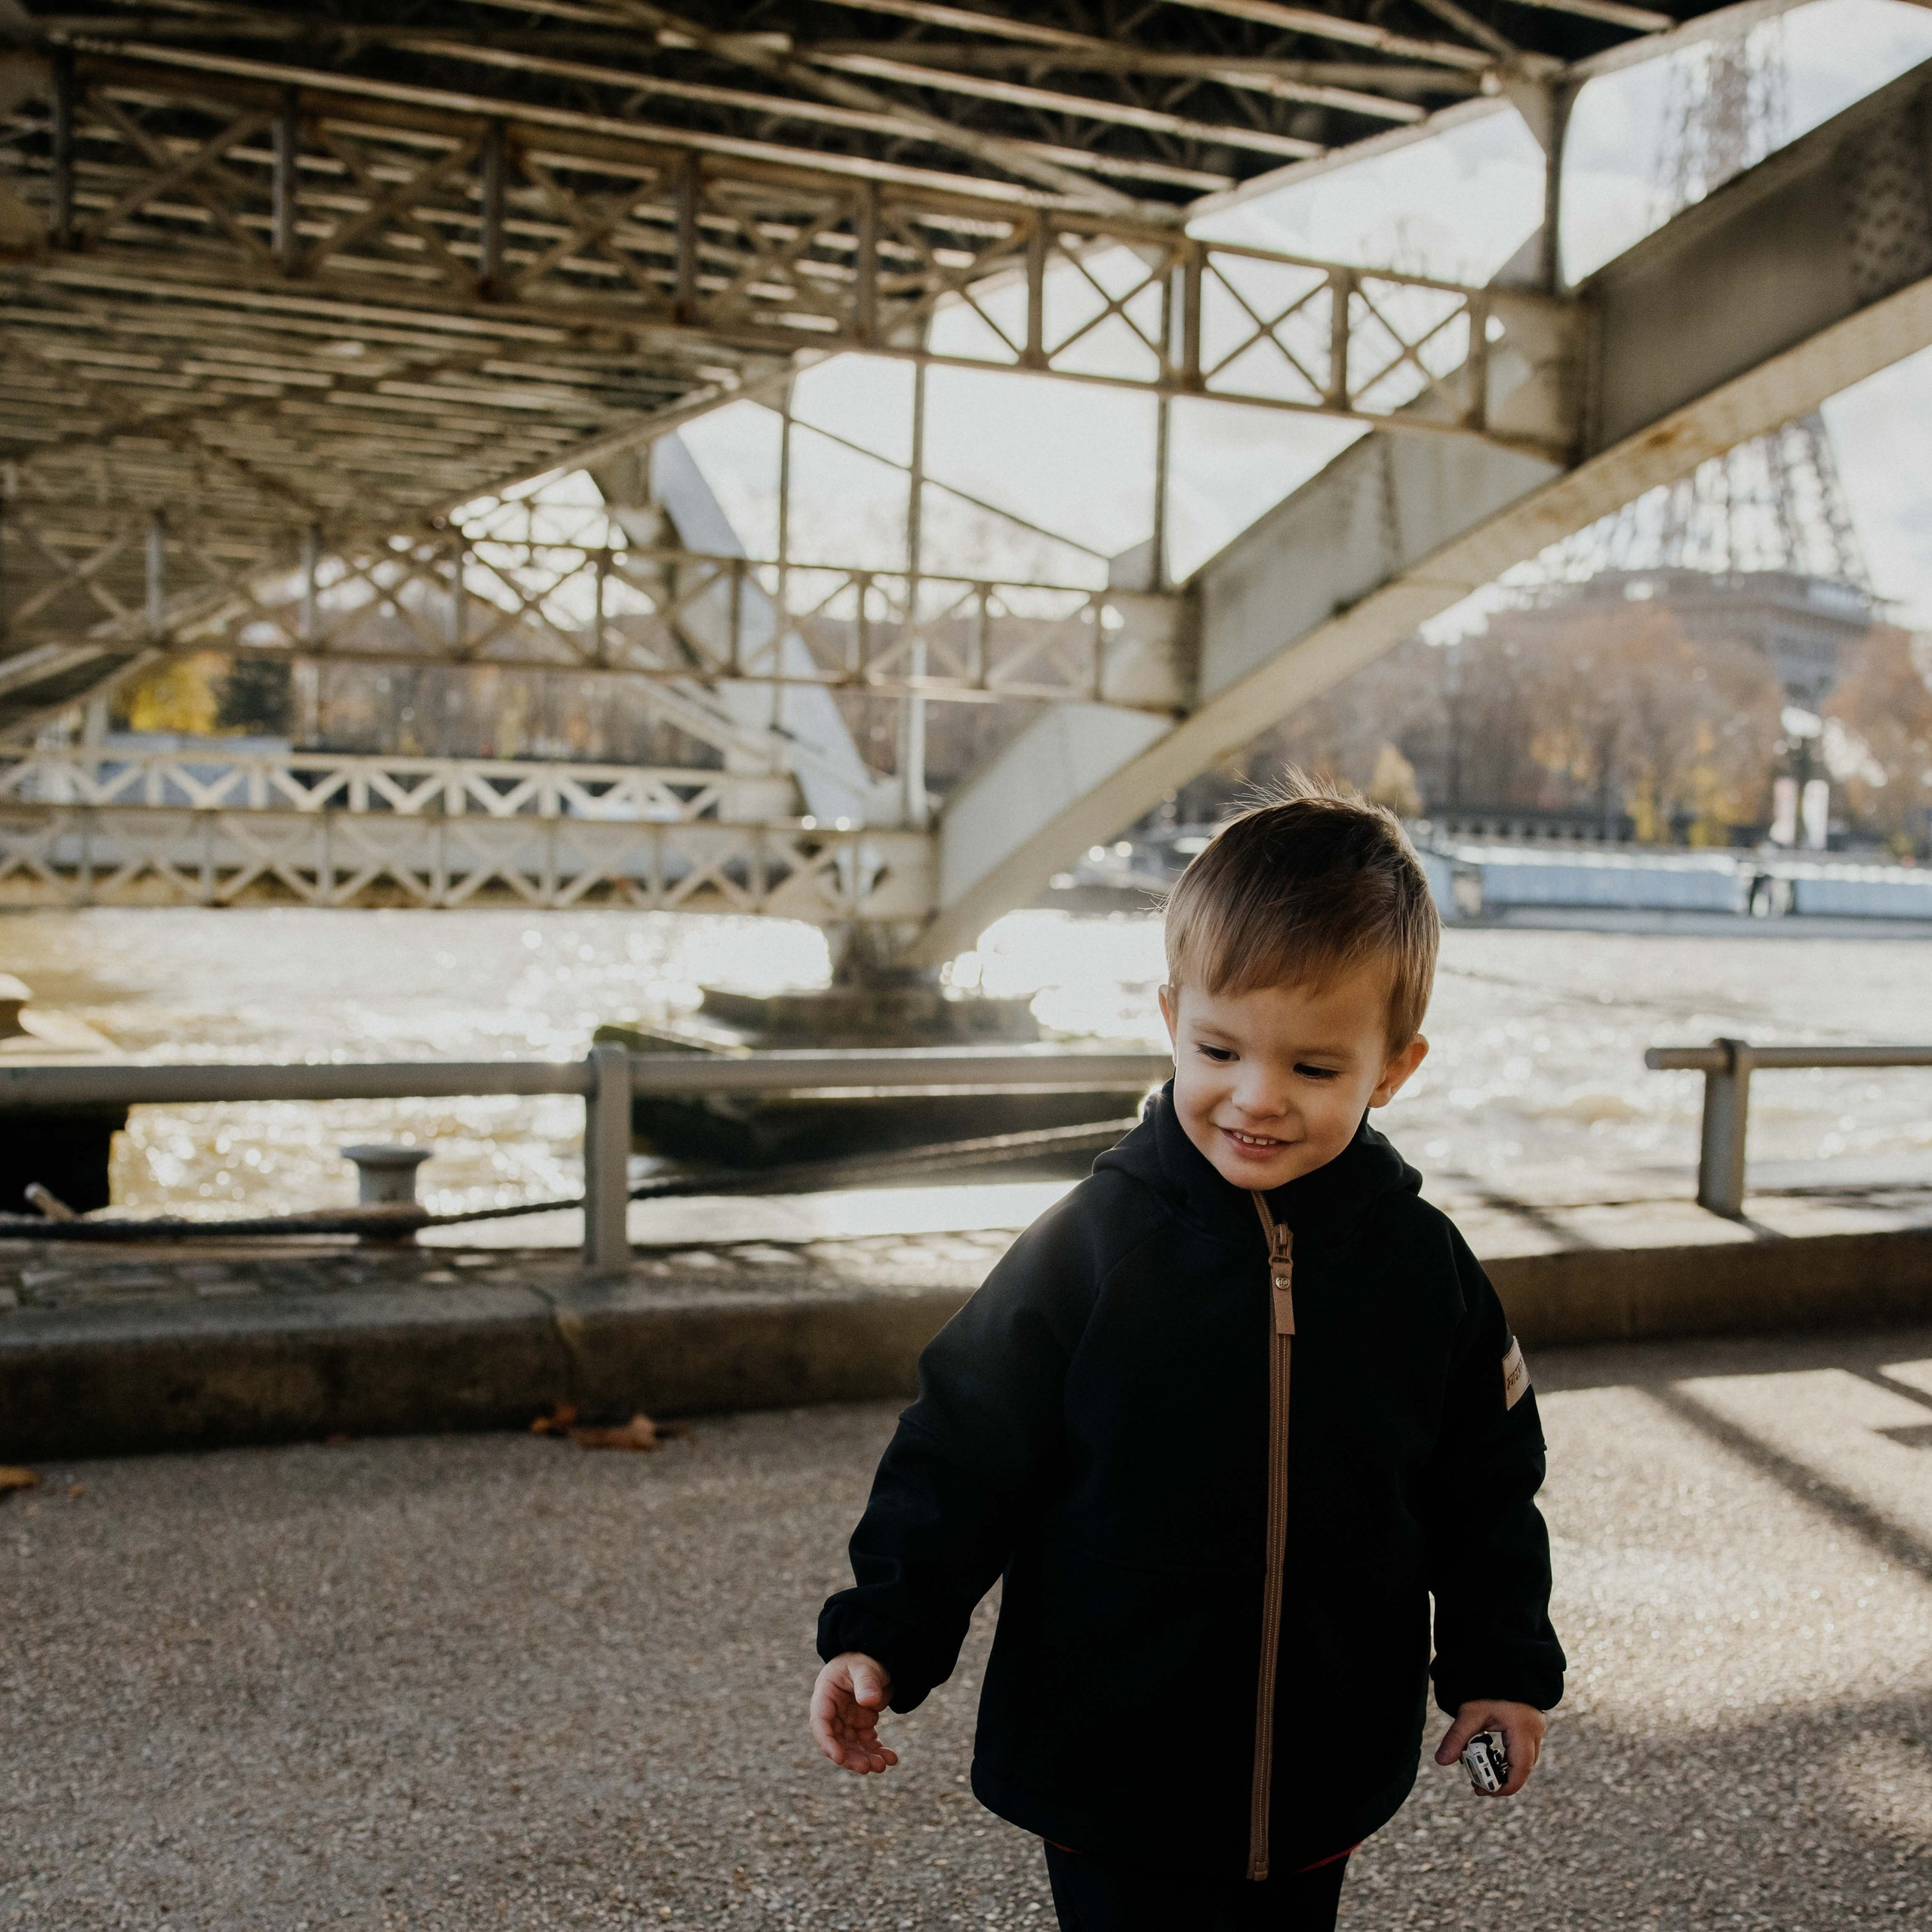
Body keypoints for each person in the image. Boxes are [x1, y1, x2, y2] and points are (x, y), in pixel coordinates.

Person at [810, 777, 1564, 1930]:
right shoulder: (1091, 1245)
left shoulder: (1424, 1270)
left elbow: (1487, 1486)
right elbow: (961, 1445)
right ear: (1172, 1017)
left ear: (1394, 1068)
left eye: (1315, 1069)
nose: (1257, 1099)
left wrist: (1499, 1665)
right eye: (1220, 1049)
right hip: (1113, 1753)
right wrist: (883, 1634)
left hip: (1323, 1758)